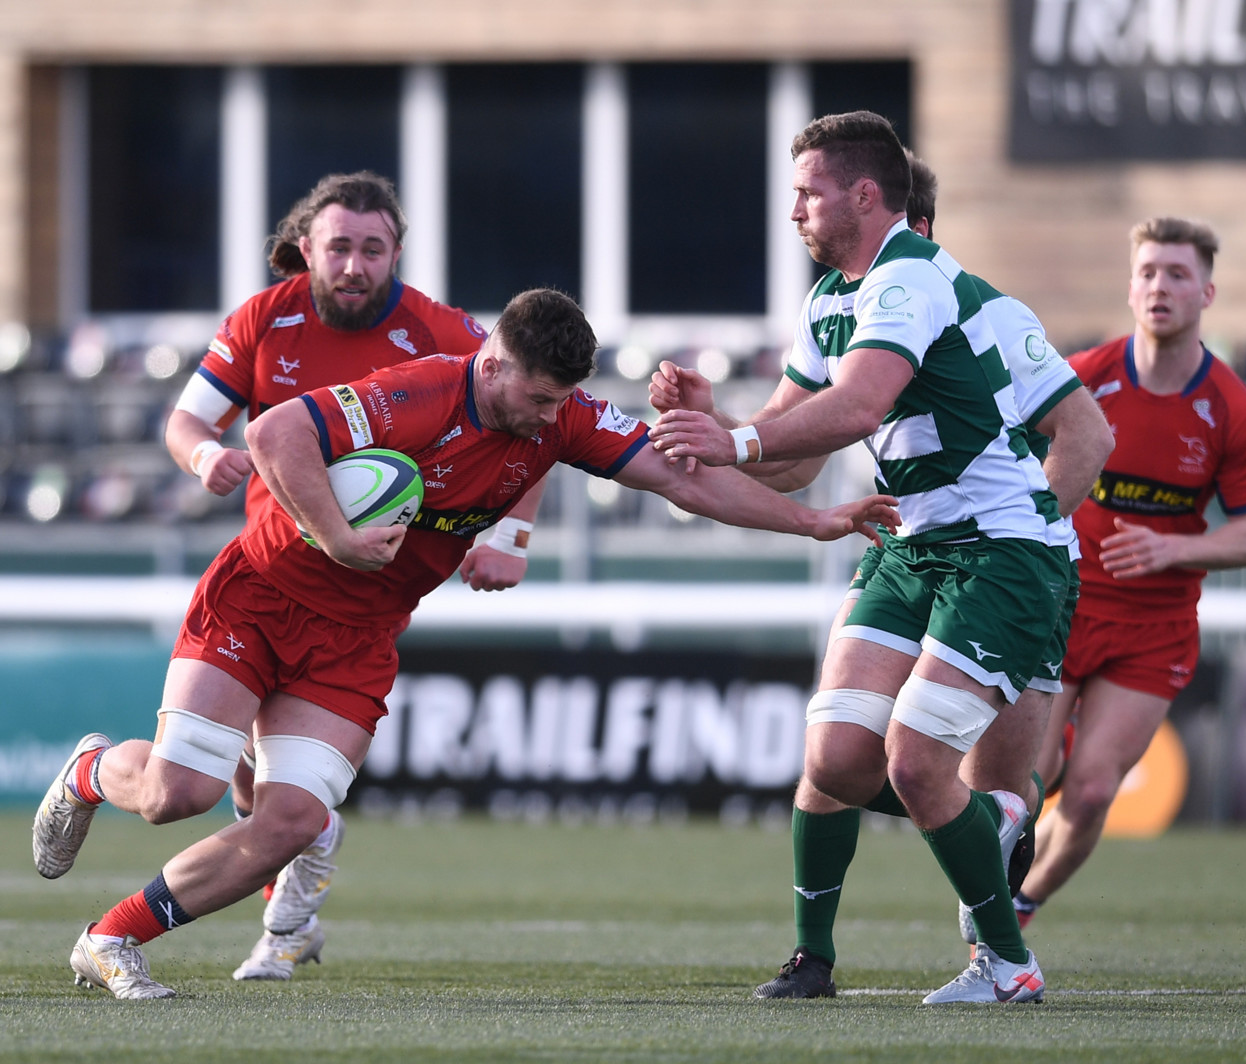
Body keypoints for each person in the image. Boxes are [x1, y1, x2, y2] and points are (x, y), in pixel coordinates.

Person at [32, 286, 899, 1000]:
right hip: (261, 599)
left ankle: (112, 938)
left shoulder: (562, 419)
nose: (551, 416)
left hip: (359, 634)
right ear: (493, 364)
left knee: (293, 818)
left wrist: (814, 520)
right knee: (177, 793)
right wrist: (334, 533)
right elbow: (272, 433)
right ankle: (91, 771)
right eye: (537, 396)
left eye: (563, 400)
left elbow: (683, 480)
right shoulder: (419, 393)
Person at [649, 149, 1114, 996]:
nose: (792, 211)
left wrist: (1040, 534)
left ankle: (1005, 958)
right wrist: (715, 423)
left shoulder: (938, 289)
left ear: (876, 203)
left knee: (926, 764)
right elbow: (793, 459)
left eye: (805, 193)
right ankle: (817, 955)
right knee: (835, 760)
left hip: (1003, 552)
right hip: (910, 543)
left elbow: (1080, 433)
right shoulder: (830, 301)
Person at [159, 170, 542, 981]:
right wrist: (204, 455)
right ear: (309, 248)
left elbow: (532, 417)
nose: (355, 266)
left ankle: (288, 911)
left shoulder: (443, 331)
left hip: (364, 582)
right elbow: (188, 418)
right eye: (340, 248)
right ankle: (297, 893)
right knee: (242, 773)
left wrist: (511, 530)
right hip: (264, 567)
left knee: (277, 776)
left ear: (396, 252)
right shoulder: (268, 316)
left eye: (374, 249)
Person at [1016, 218, 1246, 926]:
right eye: (1149, 272)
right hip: (1062, 607)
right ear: (1132, 289)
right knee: (1024, 786)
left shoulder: (1232, 408)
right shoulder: (1083, 378)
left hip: (1154, 628)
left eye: (1178, 274)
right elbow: (1009, 458)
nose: (1161, 286)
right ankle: (993, 902)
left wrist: (1172, 550)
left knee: (1095, 791)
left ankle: (1018, 907)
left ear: (1208, 292)